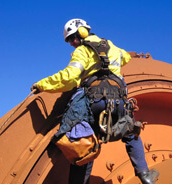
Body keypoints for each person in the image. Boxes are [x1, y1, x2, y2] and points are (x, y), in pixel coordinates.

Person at [31, 18, 159, 184]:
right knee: (130, 133)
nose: (70, 43)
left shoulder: (82, 51)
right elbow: (126, 58)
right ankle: (145, 175)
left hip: (93, 102)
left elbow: (69, 78)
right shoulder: (112, 46)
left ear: (81, 33)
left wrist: (41, 85)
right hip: (119, 101)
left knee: (84, 145)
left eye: (71, 39)